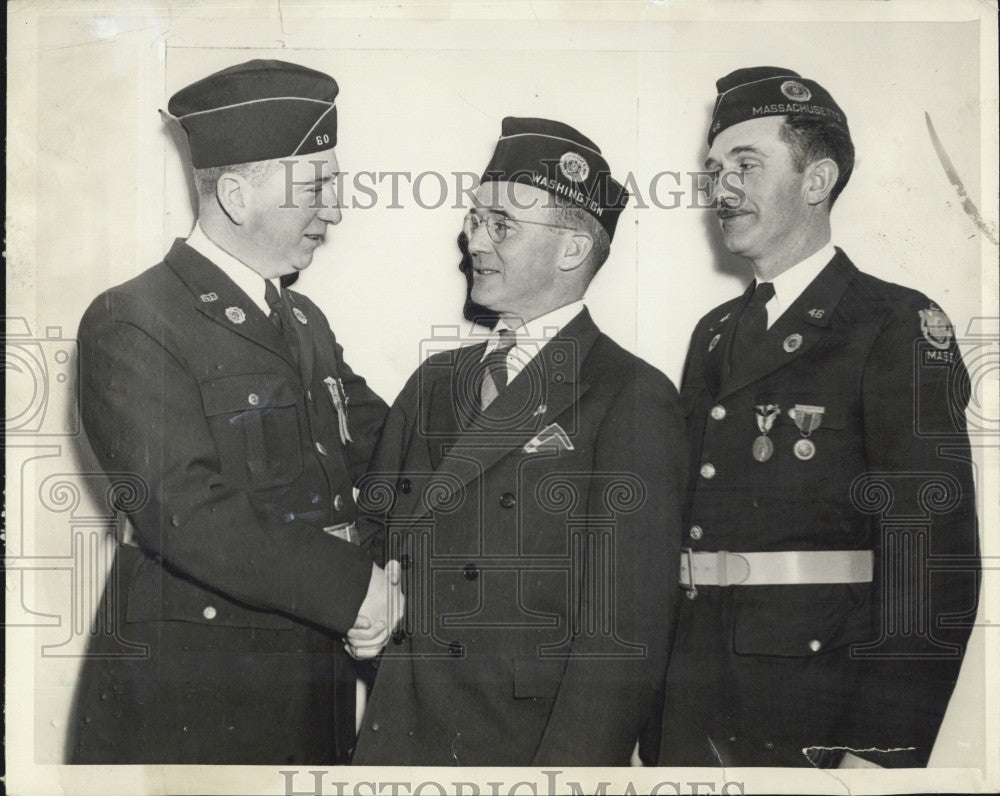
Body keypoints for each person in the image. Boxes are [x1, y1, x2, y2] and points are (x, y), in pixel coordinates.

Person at [67, 59, 403, 765]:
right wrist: (355, 588)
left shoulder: (302, 319)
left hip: (314, 677)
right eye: (317, 187)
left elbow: (386, 449)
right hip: (195, 695)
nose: (336, 210)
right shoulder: (132, 320)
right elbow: (185, 508)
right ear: (237, 194)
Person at [655, 66, 980, 768]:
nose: (722, 187)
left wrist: (878, 753)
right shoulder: (713, 333)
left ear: (816, 180)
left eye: (746, 165)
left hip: (816, 711)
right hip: (693, 706)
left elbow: (934, 563)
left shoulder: (892, 325)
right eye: (715, 168)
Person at [347, 117, 687, 765]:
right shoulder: (434, 381)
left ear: (571, 250)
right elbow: (376, 530)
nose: (474, 239)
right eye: (474, 218)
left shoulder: (630, 396)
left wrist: (568, 777)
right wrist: (365, 611)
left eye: (501, 224)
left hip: (518, 749)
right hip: (399, 735)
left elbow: (623, 639)